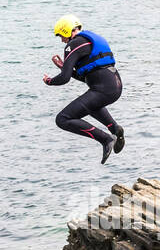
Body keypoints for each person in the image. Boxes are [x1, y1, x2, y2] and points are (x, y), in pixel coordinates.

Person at [44, 15, 124, 164]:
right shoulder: (88, 40)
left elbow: (64, 78)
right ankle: (114, 128)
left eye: (61, 35)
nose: (62, 40)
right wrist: (63, 66)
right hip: (114, 86)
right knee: (90, 105)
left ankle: (105, 139)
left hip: (103, 88)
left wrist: (49, 81)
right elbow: (86, 77)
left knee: (62, 119)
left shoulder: (73, 45)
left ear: (67, 31)